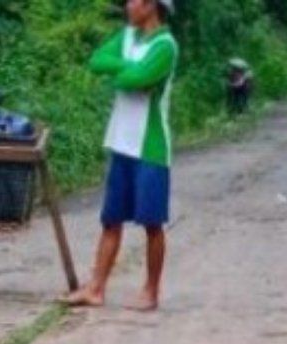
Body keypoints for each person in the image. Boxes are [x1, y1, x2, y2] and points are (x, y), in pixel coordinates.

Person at [66, 0, 179, 312]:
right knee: (111, 220)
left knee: (152, 223)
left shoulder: (166, 45)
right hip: (122, 143)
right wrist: (128, 70)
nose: (129, 5)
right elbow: (97, 61)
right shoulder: (128, 36)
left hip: (151, 148)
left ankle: (151, 291)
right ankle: (96, 288)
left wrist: (123, 71)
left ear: (153, 6)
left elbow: (133, 80)